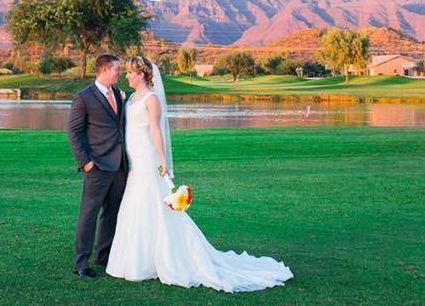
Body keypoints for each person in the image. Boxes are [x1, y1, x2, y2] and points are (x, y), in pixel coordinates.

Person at [105, 55, 293, 292]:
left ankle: (163, 259)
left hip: (147, 157)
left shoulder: (152, 99)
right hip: (132, 158)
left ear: (141, 74)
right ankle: (136, 258)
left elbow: (155, 129)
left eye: (131, 72)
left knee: (151, 201)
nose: (127, 76)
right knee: (135, 203)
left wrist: (162, 159)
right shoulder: (132, 98)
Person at [66, 54, 128, 279]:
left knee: (112, 212)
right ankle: (81, 262)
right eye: (116, 69)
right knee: (89, 214)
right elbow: (73, 132)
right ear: (103, 70)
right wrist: (86, 163)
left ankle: (103, 255)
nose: (119, 73)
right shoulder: (83, 98)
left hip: (120, 166)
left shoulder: (120, 95)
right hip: (97, 166)